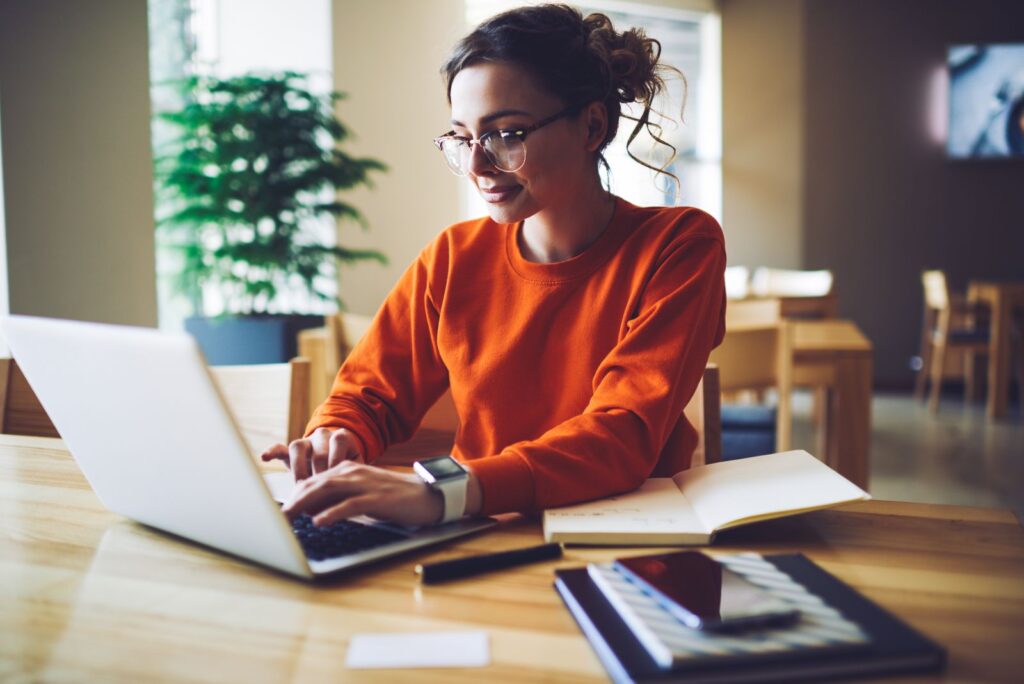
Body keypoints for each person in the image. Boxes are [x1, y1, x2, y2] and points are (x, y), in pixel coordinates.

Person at [262, 3, 726, 528]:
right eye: (462, 136)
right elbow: (366, 396)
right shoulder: (452, 257)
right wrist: (335, 435)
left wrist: (442, 492)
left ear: (591, 125)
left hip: (629, 541)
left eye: (507, 134)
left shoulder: (680, 245)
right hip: (479, 532)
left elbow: (618, 437)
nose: (478, 165)